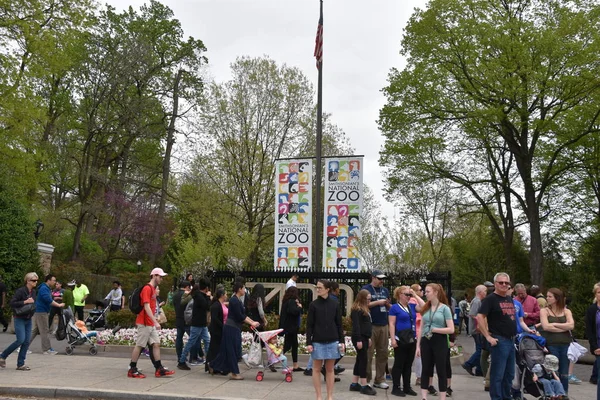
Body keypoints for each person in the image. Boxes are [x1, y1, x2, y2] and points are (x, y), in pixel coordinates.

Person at [127, 268, 175, 378]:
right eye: (160, 276)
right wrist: (155, 321)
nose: (161, 279)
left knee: (156, 344)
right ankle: (132, 369)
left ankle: (159, 368)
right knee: (139, 345)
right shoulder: (147, 289)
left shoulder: (153, 289)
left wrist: (154, 321)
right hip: (144, 323)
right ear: (154, 276)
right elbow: (146, 306)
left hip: (150, 323)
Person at [476, 272, 517, 400]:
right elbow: (480, 316)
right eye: (501, 282)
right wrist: (488, 336)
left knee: (509, 374)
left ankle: (506, 397)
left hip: (511, 340)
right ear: (495, 284)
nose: (504, 285)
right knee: (497, 374)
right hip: (499, 340)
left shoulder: (509, 298)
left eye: (506, 283)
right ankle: (496, 398)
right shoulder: (490, 299)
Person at [209, 281, 259, 380]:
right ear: (240, 289)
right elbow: (240, 316)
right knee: (233, 351)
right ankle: (234, 373)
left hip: (235, 328)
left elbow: (243, 315)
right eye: (244, 288)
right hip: (231, 328)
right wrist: (251, 323)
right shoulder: (234, 300)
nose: (245, 290)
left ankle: (213, 364)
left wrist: (252, 321)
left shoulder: (237, 300)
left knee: (227, 351)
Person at [306, 280, 345, 400]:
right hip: (318, 341)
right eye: (317, 287)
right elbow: (309, 325)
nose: (318, 289)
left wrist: (342, 341)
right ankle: (318, 396)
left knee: (330, 369)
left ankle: (329, 396)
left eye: (320, 287)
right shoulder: (313, 305)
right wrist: (309, 342)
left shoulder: (335, 304)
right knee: (316, 369)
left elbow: (339, 324)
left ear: (327, 289)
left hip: (333, 341)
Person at [416, 283, 454, 400]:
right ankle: (424, 396)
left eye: (428, 292)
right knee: (426, 368)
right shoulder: (426, 308)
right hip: (426, 340)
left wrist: (436, 329)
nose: (425, 294)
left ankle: (442, 396)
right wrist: (418, 346)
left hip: (439, 340)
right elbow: (421, 327)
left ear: (436, 293)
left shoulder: (445, 308)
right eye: (425, 292)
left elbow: (451, 329)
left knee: (441, 369)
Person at [389, 285, 424, 397]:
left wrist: (415, 295)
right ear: (400, 295)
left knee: (408, 364)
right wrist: (393, 339)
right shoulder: (395, 308)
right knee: (399, 363)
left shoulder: (412, 306)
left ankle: (407, 386)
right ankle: (396, 387)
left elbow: (424, 307)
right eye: (407, 294)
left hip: (411, 338)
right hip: (400, 338)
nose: (409, 297)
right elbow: (392, 323)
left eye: (409, 295)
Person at [0, 272, 38, 370]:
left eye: (36, 280)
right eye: (34, 280)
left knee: (26, 342)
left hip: (28, 318)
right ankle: (3, 356)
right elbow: (12, 303)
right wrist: (25, 301)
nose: (36, 282)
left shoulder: (33, 292)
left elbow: (33, 303)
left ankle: (20, 364)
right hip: (19, 318)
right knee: (20, 340)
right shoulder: (21, 291)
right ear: (28, 281)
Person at [540, 287, 574, 394]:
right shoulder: (544, 311)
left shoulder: (566, 311)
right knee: (553, 371)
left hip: (565, 345)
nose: (547, 298)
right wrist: (564, 327)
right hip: (551, 344)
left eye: (550, 296)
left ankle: (564, 393)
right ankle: (553, 393)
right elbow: (545, 327)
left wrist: (554, 324)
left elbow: (571, 325)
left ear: (557, 298)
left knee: (564, 372)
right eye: (547, 296)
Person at [362, 269, 391, 390]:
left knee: (383, 353)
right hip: (371, 324)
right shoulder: (366, 289)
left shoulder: (385, 290)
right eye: (379, 278)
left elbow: (389, 306)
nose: (381, 281)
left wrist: (387, 304)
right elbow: (363, 305)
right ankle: (367, 379)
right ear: (373, 278)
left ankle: (379, 379)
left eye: (382, 279)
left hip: (384, 324)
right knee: (369, 353)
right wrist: (378, 302)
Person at [178, 278, 211, 370]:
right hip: (197, 323)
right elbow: (206, 306)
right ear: (207, 288)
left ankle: (208, 361)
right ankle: (182, 361)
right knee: (191, 342)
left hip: (202, 324)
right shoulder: (199, 296)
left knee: (207, 341)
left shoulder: (199, 295)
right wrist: (208, 297)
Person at [349, 289, 376, 396]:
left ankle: (354, 383)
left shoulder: (365, 309)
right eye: (367, 299)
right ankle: (364, 384)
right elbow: (356, 326)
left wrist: (368, 338)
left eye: (370, 299)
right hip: (359, 338)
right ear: (362, 298)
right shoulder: (357, 310)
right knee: (363, 360)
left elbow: (366, 325)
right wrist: (359, 339)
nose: (369, 301)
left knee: (360, 360)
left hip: (364, 337)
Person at [29, 274, 64, 354]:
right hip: (41, 311)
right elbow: (48, 300)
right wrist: (58, 305)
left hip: (40, 311)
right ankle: (47, 349)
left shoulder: (46, 288)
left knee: (35, 331)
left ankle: (23, 347)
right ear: (48, 280)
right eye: (54, 280)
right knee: (44, 330)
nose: (55, 282)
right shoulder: (44, 288)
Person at [462, 284, 486, 377]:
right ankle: (469, 364)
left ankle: (479, 370)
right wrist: (480, 321)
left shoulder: (478, 301)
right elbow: (472, 314)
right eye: (485, 291)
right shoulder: (477, 302)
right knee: (480, 349)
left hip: (476, 328)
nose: (485, 293)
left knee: (480, 348)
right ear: (480, 292)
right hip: (476, 329)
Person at [280, 286, 304, 372]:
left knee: (293, 345)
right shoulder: (291, 301)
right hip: (291, 327)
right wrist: (299, 307)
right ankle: (274, 360)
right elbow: (293, 311)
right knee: (289, 345)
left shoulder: (286, 301)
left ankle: (295, 365)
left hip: (289, 327)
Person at [206, 288, 227, 373]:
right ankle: (212, 365)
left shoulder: (220, 304)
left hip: (219, 329)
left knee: (216, 348)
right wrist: (223, 326)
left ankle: (214, 365)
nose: (226, 296)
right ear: (222, 295)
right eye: (225, 294)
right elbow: (215, 318)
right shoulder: (216, 305)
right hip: (216, 330)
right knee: (214, 348)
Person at [409, 283, 424, 387]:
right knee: (418, 355)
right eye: (420, 290)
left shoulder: (416, 300)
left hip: (420, 331)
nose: (422, 291)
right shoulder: (412, 302)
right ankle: (419, 377)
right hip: (417, 332)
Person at [172, 280, 191, 364]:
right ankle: (191, 356)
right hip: (186, 319)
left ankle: (179, 356)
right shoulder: (186, 294)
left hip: (178, 318)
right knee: (193, 338)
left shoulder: (175, 294)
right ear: (187, 287)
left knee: (179, 338)